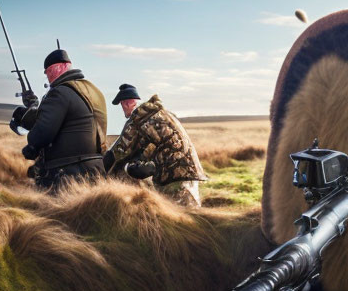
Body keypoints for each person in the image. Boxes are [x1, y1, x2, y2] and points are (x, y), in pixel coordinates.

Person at [16, 48, 108, 190]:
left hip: (67, 176)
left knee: (49, 212)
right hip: (95, 170)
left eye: (49, 71)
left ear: (61, 67)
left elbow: (42, 134)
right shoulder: (91, 91)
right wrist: (35, 108)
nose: (48, 76)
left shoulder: (59, 92)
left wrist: (31, 146)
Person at [104, 84, 206, 207]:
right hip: (190, 172)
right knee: (193, 216)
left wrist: (100, 172)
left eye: (122, 105)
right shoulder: (161, 114)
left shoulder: (137, 119)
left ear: (127, 103)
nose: (123, 109)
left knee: (177, 219)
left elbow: (118, 152)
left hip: (172, 177)